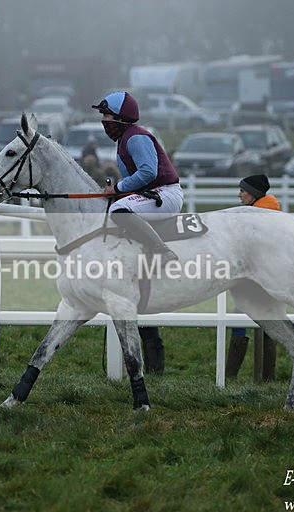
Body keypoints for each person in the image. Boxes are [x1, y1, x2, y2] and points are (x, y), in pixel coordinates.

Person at [93, 91, 183, 375]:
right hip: (152, 193)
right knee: (115, 209)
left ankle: (162, 251)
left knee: (119, 211)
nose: (104, 121)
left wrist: (117, 189)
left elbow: (147, 171)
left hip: (165, 194)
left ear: (121, 118)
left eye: (107, 116)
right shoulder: (125, 138)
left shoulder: (137, 137)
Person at [226, 174, 281, 380]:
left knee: (239, 322)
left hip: (254, 278)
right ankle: (268, 379)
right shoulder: (270, 212)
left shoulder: (256, 216)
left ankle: (230, 377)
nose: (239, 195)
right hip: (270, 277)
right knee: (269, 325)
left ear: (254, 194)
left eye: (243, 191)